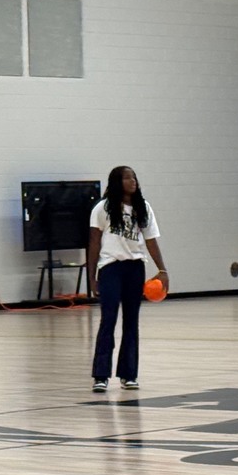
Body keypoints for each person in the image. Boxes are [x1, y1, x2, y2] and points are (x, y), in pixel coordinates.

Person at [87, 165, 169, 393]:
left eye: (134, 177)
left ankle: (128, 374)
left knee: (131, 322)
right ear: (116, 182)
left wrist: (162, 270)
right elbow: (93, 244)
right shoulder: (102, 208)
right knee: (108, 320)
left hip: (135, 268)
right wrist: (92, 277)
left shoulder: (144, 208)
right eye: (126, 177)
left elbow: (151, 240)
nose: (132, 181)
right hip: (110, 268)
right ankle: (101, 376)